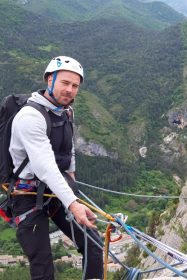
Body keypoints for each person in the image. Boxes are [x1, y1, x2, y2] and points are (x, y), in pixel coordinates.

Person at [9, 56, 103, 279]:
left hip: (55, 191)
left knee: (94, 244)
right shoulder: (30, 116)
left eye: (75, 86)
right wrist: (73, 204)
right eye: (65, 83)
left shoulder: (66, 112)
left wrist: (72, 186)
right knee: (42, 265)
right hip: (27, 195)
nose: (70, 90)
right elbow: (45, 166)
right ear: (49, 80)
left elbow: (67, 150)